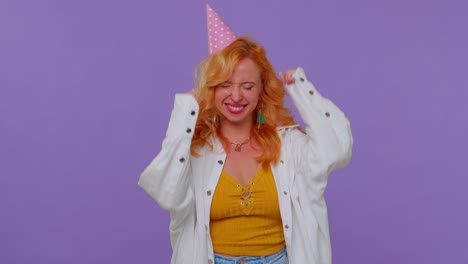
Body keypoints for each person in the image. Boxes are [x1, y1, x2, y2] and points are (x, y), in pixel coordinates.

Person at [139, 4, 352, 264]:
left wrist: (303, 92)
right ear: (211, 89)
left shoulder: (288, 144)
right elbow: (165, 193)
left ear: (261, 90)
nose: (236, 96)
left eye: (248, 86)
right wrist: (184, 114)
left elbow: (337, 151)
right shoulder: (194, 150)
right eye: (225, 85)